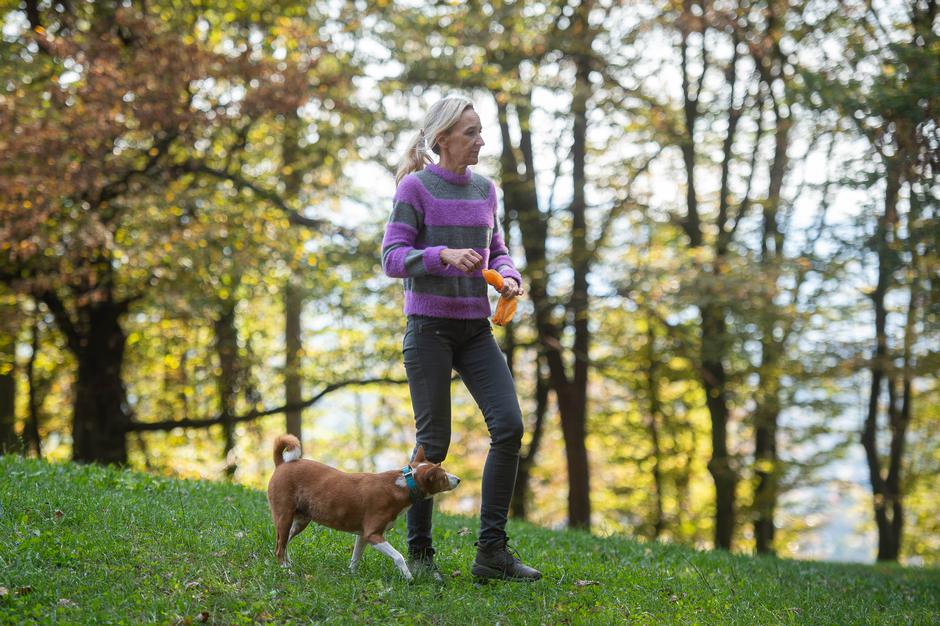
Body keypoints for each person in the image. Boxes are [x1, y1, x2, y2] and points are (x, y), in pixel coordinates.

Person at [381, 95, 541, 582]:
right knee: (433, 443)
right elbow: (391, 257)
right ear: (443, 138)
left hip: (474, 329)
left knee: (509, 427)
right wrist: (441, 255)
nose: (481, 140)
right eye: (471, 132)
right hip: (428, 328)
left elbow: (498, 250)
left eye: (480, 131)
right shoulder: (415, 188)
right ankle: (420, 553)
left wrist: (509, 276)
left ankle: (492, 553)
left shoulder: (485, 190)